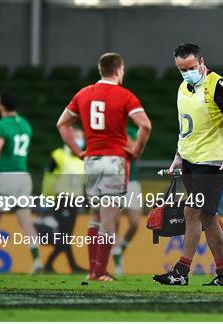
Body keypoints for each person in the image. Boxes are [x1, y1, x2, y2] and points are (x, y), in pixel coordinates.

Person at [153, 43, 223, 286]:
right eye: (182, 69)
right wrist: (178, 155)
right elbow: (186, 128)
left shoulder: (217, 84)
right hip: (191, 161)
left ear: (202, 61)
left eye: (191, 67)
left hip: (212, 161)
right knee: (208, 217)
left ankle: (181, 271)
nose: (187, 73)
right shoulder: (183, 87)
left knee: (191, 211)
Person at [56, 52, 152, 281]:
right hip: (115, 160)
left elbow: (62, 124)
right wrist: (136, 150)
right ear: (118, 70)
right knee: (109, 217)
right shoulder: (125, 95)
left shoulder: (83, 94)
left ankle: (93, 270)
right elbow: (145, 125)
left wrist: (78, 151)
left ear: (102, 70)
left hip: (91, 161)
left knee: (96, 215)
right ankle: (99, 271)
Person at [0, 90, 42, 274]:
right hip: (23, 176)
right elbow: (12, 150)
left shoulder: (0, 125)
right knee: (25, 221)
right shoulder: (26, 125)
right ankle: (36, 259)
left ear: (1, 105)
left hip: (3, 177)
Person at [40, 127, 86, 273]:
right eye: (76, 137)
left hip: (75, 201)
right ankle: (70, 266)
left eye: (81, 137)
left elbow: (83, 183)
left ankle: (51, 265)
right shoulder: (58, 155)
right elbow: (48, 177)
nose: (79, 140)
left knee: (66, 236)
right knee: (65, 235)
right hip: (62, 199)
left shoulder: (83, 159)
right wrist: (47, 198)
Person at [112, 125, 143, 275]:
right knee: (114, 221)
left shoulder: (130, 131)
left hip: (131, 181)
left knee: (135, 222)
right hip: (114, 182)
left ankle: (119, 249)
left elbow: (133, 149)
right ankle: (116, 260)